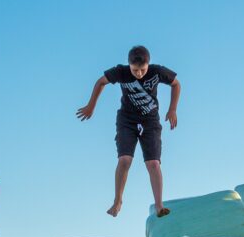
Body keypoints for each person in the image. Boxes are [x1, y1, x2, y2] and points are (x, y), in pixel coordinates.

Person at [76, 45, 181, 218]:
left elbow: (176, 84)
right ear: (129, 65)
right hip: (127, 121)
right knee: (125, 160)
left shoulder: (157, 71)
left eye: (142, 70)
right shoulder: (121, 72)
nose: (139, 73)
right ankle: (118, 200)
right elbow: (101, 82)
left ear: (148, 64)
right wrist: (91, 106)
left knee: (153, 163)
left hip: (150, 121)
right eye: (135, 70)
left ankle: (159, 205)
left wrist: (173, 109)